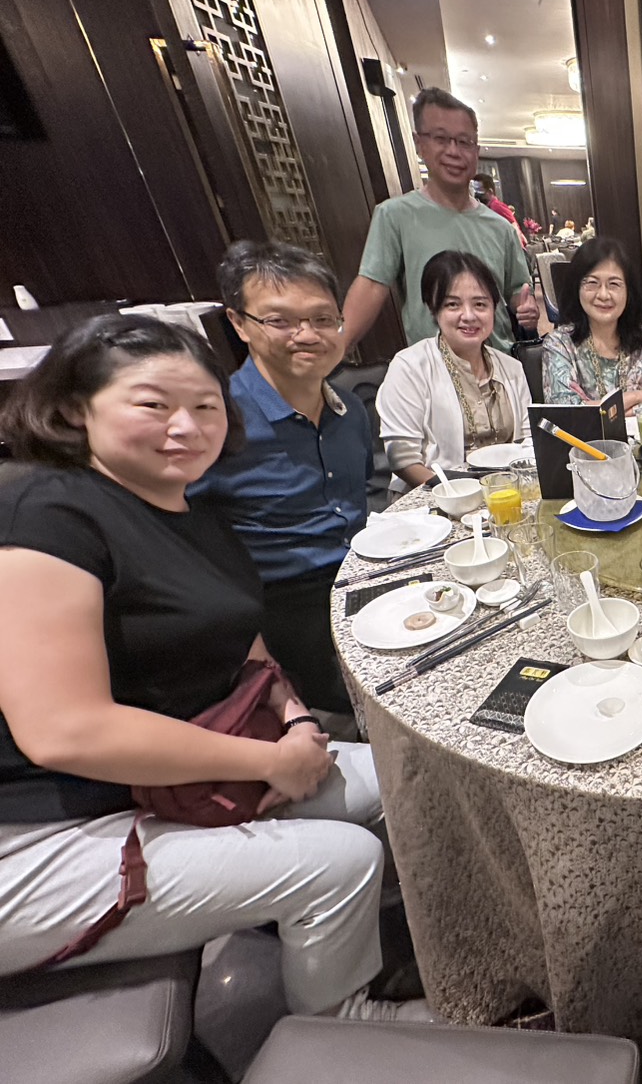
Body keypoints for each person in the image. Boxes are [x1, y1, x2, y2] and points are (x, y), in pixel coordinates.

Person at [0, 315, 425, 1021]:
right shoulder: (43, 512)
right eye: (152, 404)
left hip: (177, 780)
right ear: (75, 410)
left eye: (204, 406)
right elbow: (63, 732)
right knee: (338, 863)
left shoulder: (185, 506)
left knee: (406, 778)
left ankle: (350, 932)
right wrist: (269, 761)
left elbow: (237, 635)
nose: (185, 427)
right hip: (42, 831)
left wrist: (295, 720)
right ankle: (344, 1027)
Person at [190, 241, 372, 713]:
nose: (306, 335)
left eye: (322, 319)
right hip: (281, 613)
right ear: (239, 324)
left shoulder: (350, 410)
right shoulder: (214, 422)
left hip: (362, 578)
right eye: (281, 321)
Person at [342, 87, 538, 353]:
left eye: (464, 142)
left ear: (476, 150)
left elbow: (517, 290)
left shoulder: (500, 227)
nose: (453, 151)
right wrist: (337, 347)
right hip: (432, 367)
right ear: (420, 144)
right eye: (441, 139)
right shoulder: (395, 215)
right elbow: (371, 285)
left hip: (497, 362)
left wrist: (526, 306)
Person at [377, 250, 532, 493]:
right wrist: (458, 493)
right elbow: (402, 459)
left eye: (480, 304)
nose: (468, 316)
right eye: (452, 304)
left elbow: (527, 443)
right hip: (434, 495)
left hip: (506, 493)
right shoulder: (409, 367)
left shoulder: (511, 367)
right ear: (433, 309)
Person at [540, 236, 642, 414]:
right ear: (577, 288)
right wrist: (637, 396)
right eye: (592, 283)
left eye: (614, 284)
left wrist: (594, 406)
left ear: (628, 291)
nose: (604, 295)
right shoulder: (559, 344)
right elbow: (565, 413)